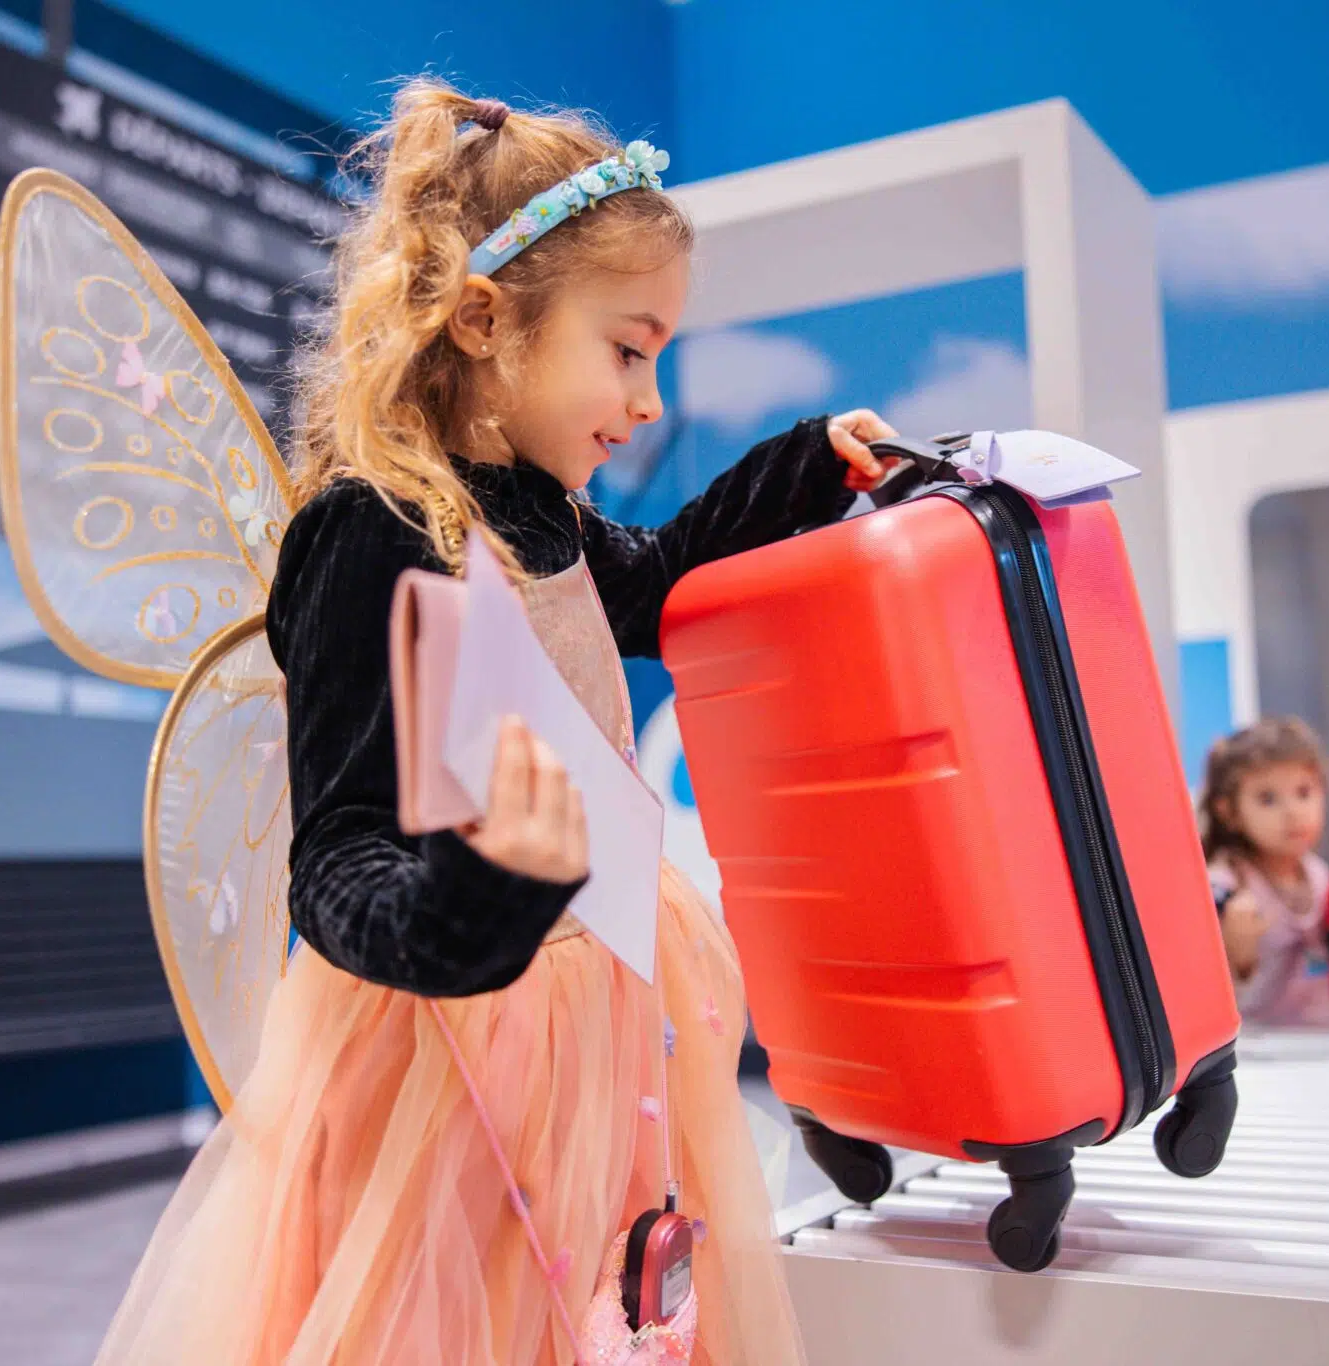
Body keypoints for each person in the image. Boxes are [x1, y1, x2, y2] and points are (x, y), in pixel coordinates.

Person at [92, 81, 900, 1366]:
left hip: (601, 1024)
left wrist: (806, 462)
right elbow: (340, 854)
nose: (646, 401)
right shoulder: (372, 528)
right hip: (445, 1042)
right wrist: (473, 899)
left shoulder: (553, 517)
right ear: (484, 319)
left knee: (602, 1307)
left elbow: (662, 579)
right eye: (628, 350)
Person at [1197, 717, 1329, 1027]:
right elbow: (1198, 989)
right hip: (1248, 1038)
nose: (1293, 812)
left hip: (1306, 1034)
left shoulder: (1317, 875)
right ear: (1230, 813)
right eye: (1268, 799)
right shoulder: (1223, 886)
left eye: (1304, 792)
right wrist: (1236, 953)